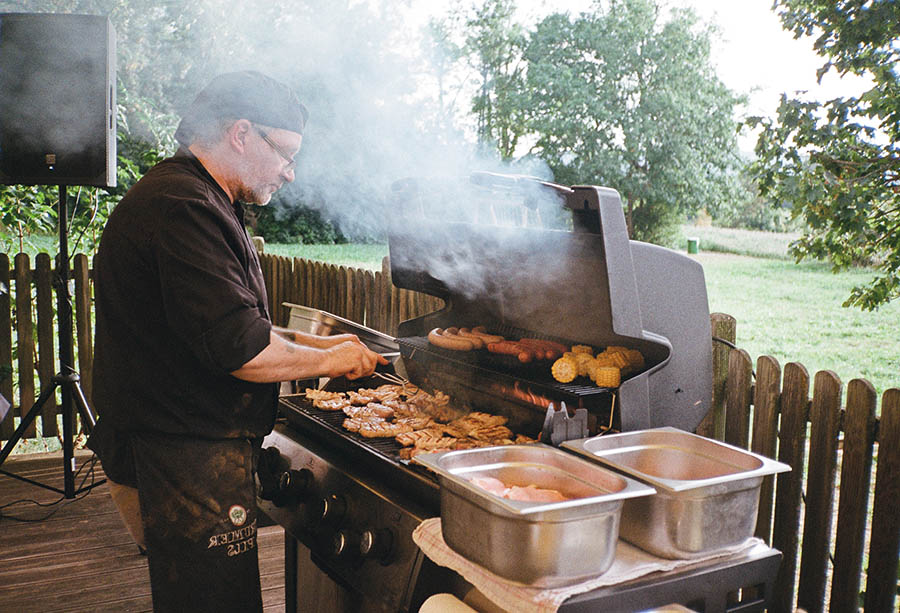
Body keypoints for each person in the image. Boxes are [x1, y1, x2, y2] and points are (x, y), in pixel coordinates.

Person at [86, 70, 385, 613]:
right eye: (286, 155)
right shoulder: (185, 208)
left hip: (177, 448)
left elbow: (236, 327)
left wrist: (328, 351)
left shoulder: (192, 197)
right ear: (241, 134)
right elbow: (242, 351)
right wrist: (334, 355)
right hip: (180, 456)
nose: (291, 175)